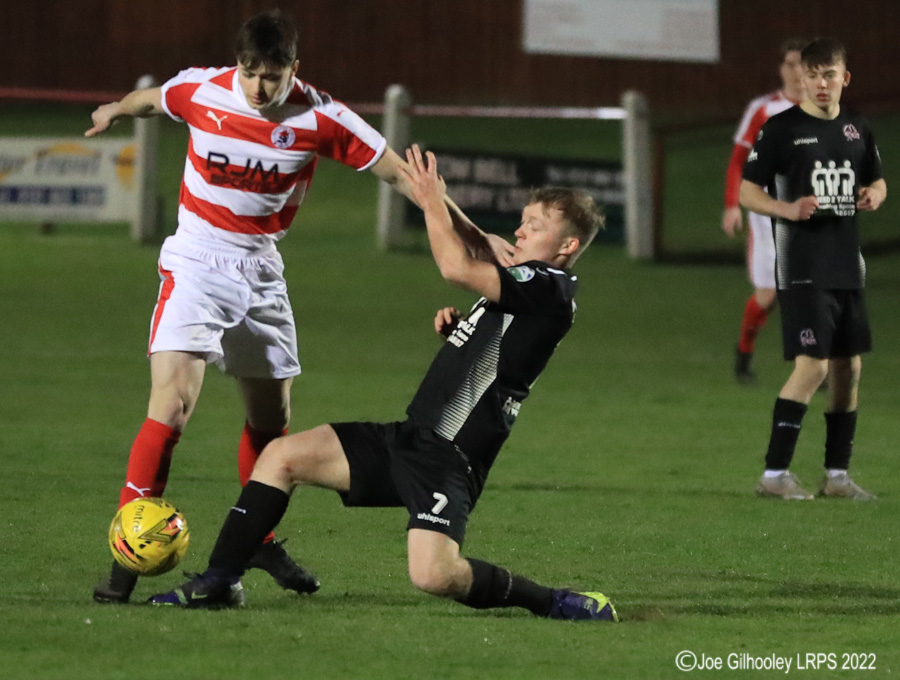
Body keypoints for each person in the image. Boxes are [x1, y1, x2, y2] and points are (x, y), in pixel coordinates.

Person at [88, 10, 512, 604]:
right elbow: (151, 99)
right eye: (251, 73)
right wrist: (113, 109)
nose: (260, 88)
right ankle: (126, 558)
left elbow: (404, 177)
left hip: (261, 270)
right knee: (173, 404)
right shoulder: (201, 90)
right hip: (196, 261)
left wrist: (474, 236)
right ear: (237, 64)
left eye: (273, 76)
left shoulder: (322, 117)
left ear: (295, 68)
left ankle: (257, 539)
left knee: (270, 420)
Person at [148, 146, 616, 622]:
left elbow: (455, 268)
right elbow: (504, 353)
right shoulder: (526, 283)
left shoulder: (549, 286)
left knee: (435, 575)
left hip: (449, 461)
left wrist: (434, 200)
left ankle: (551, 600)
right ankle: (220, 580)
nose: (519, 230)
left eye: (534, 225)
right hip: (410, 438)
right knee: (280, 458)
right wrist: (461, 332)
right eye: (523, 220)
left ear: (567, 246)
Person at [740, 38, 886, 500]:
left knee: (849, 368)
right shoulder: (780, 129)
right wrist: (786, 208)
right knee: (814, 367)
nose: (821, 84)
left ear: (844, 78)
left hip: (847, 265)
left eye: (830, 75)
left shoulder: (857, 129)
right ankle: (773, 475)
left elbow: (876, 178)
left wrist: (876, 194)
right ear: (801, 78)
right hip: (803, 266)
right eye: (813, 75)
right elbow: (748, 192)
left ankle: (837, 476)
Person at [723, 39, 807, 384]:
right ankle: (743, 353)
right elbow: (738, 160)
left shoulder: (825, 108)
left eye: (801, 63)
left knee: (809, 293)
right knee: (769, 296)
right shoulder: (764, 109)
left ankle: (814, 367)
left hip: (809, 214)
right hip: (766, 213)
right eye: (789, 63)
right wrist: (732, 205)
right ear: (781, 69)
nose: (795, 70)